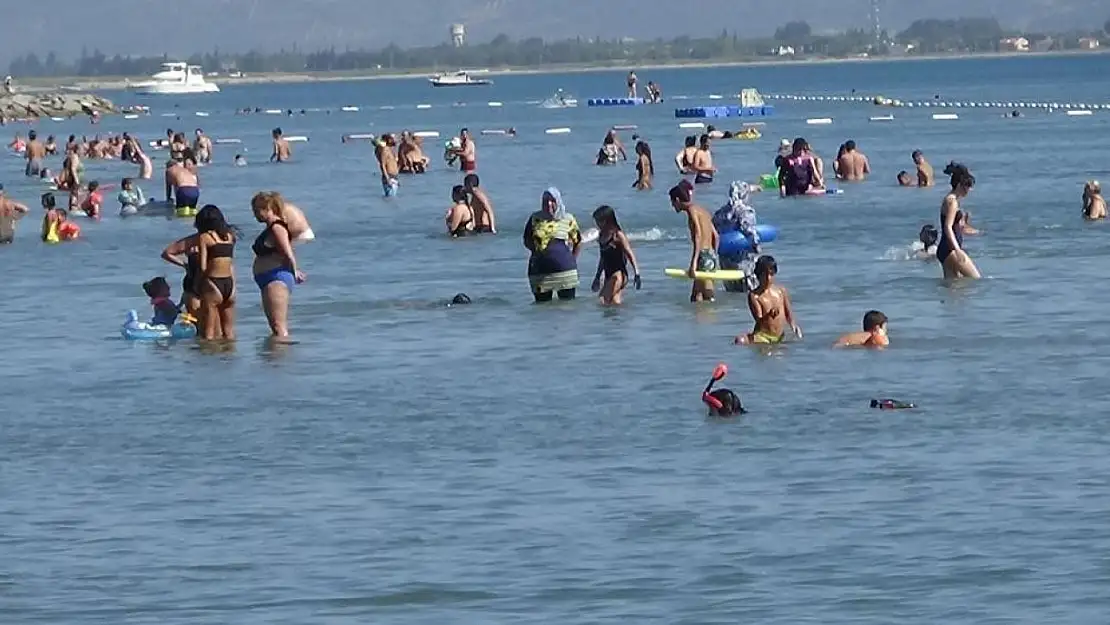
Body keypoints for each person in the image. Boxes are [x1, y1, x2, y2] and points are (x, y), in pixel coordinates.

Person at [251, 191, 306, 338]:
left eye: (257, 211)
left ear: (268, 209)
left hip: (275, 278)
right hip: (268, 278)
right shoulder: (270, 228)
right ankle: (274, 357)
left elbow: (288, 252)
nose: (255, 215)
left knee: (279, 326)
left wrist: (294, 271)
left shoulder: (277, 227)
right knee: (274, 327)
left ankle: (281, 357)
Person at [523, 187, 581, 302]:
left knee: (567, 308)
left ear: (558, 201)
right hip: (539, 273)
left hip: (565, 273)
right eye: (545, 201)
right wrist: (538, 253)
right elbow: (526, 239)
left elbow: (578, 241)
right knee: (541, 309)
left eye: (552, 201)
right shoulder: (535, 218)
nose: (548, 204)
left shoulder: (567, 218)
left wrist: (572, 259)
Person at [734, 255, 802, 345]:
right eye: (764, 275)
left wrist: (794, 326)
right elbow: (759, 320)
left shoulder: (781, 291)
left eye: (770, 274)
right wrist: (769, 315)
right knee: (739, 340)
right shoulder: (754, 296)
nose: (767, 278)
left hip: (779, 336)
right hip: (763, 336)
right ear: (758, 275)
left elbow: (788, 314)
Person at [194, 205, 238, 340]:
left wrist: (198, 285)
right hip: (230, 284)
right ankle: (229, 359)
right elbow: (231, 263)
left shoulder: (204, 237)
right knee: (229, 333)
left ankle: (209, 360)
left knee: (209, 334)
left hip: (213, 282)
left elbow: (202, 266)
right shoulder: (230, 236)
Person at [670, 183, 719, 302]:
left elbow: (698, 235)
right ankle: (700, 320)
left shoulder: (692, 211)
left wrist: (694, 262)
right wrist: (714, 256)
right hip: (710, 254)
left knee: (706, 295)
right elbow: (716, 236)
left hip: (702, 255)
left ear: (677, 200)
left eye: (672, 202)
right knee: (697, 296)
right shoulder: (703, 210)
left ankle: (710, 319)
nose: (672, 206)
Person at [713, 181, 762, 292]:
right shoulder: (745, 212)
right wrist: (757, 247)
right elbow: (749, 230)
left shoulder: (720, 213)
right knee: (750, 294)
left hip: (726, 262)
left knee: (732, 293)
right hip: (744, 262)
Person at [937, 162, 981, 280]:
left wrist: (964, 224)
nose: (969, 189)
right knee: (976, 279)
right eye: (967, 185)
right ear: (959, 185)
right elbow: (947, 227)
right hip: (951, 249)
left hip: (945, 250)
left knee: (954, 289)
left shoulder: (950, 199)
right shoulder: (952, 202)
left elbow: (954, 225)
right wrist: (958, 250)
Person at [590, 205, 641, 306]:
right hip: (608, 275)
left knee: (603, 299)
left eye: (599, 221)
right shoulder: (601, 235)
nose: (597, 224)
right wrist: (597, 276)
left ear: (607, 220)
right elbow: (603, 258)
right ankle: (622, 320)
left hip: (619, 274)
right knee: (614, 303)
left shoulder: (617, 235)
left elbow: (630, 253)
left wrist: (637, 274)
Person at [161, 232, 203, 322]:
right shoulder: (216, 240)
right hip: (199, 281)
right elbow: (166, 254)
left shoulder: (192, 242)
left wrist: (185, 265)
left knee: (197, 319)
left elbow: (167, 254)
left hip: (193, 281)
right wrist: (184, 265)